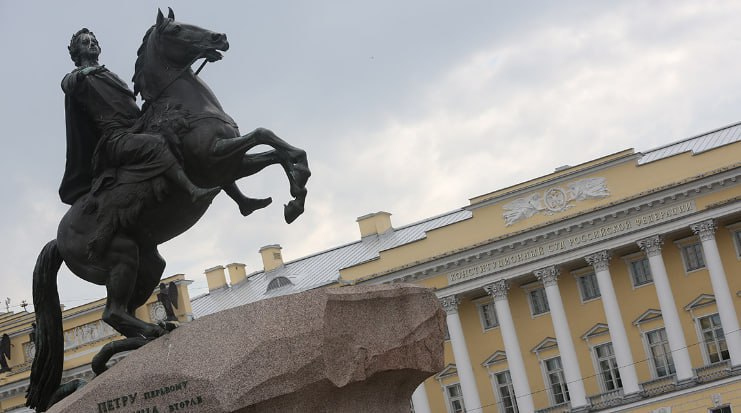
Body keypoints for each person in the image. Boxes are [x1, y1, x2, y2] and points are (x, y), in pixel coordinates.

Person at [59, 28, 216, 205]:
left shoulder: (109, 75)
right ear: (76, 52)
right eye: (85, 42)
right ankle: (191, 190)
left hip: (136, 126)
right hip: (116, 139)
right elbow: (67, 84)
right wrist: (85, 72)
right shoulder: (78, 78)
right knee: (156, 144)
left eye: (94, 41)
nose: (92, 43)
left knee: (178, 128)